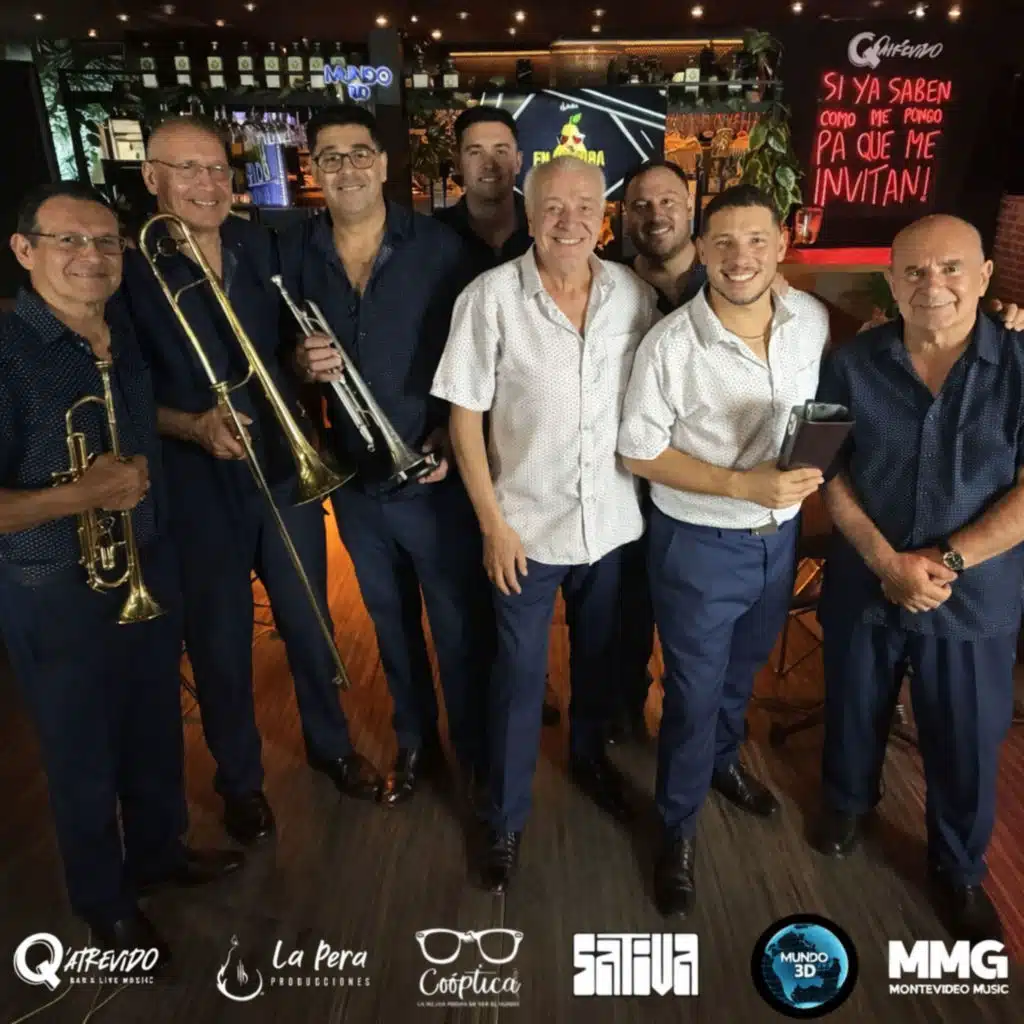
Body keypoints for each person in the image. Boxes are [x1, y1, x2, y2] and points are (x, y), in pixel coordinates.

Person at [122, 116, 382, 848]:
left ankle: (331, 746)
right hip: (196, 485)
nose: (208, 184)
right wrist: (190, 425)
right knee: (220, 640)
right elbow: (124, 390)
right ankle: (240, 783)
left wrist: (302, 361)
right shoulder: (129, 269)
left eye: (217, 169)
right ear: (152, 178)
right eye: (187, 169)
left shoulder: (257, 244)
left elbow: (282, 342)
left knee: (310, 621)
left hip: (281, 462)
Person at [0, 182, 242, 958]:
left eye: (106, 241)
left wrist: (191, 425)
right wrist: (81, 495)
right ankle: (104, 902)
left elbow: (134, 421)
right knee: (80, 751)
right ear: (24, 250)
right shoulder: (8, 352)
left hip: (144, 561)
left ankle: (160, 854)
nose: (91, 256)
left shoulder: (115, 331)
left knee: (153, 726)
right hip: (55, 588)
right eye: (68, 240)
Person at [432, 155, 662, 893]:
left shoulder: (633, 295)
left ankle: (590, 760)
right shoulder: (490, 298)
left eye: (585, 205)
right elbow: (464, 421)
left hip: (613, 524)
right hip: (524, 531)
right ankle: (503, 817)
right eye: (553, 207)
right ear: (529, 216)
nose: (570, 220)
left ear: (605, 215)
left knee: (599, 663)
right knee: (517, 676)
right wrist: (492, 525)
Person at [810, 214, 1024, 944]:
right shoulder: (848, 361)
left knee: (966, 738)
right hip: (864, 580)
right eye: (915, 271)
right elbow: (817, 464)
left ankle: (958, 868)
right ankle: (847, 804)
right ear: (892, 282)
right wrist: (883, 561)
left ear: (985, 276)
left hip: (974, 598)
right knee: (852, 706)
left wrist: (946, 562)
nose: (934, 283)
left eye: (952, 267)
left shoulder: (1021, 367)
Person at [618, 184, 830, 917]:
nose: (741, 258)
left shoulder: (810, 320)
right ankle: (676, 829)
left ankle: (721, 764)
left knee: (740, 676)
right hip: (699, 544)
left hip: (781, 540)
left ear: (781, 245)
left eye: (756, 241)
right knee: (694, 692)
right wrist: (742, 485)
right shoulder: (670, 345)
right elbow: (639, 450)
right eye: (725, 243)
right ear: (702, 250)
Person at [278, 106, 494, 808]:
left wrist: (450, 434)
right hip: (355, 478)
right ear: (315, 168)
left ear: (382, 163)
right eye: (330, 156)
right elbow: (280, 352)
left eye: (358, 153)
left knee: (457, 621)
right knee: (389, 621)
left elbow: (479, 353)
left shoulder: (439, 247)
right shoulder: (295, 252)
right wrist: (300, 363)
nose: (346, 168)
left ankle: (473, 751)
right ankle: (415, 741)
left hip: (433, 472)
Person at [434, 106, 561, 728]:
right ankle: (480, 713)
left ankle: (526, 689)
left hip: (531, 452)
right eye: (475, 151)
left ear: (520, 161)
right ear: (457, 163)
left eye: (501, 150)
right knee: (465, 585)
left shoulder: (550, 236)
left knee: (523, 586)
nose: (489, 163)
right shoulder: (428, 241)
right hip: (450, 442)